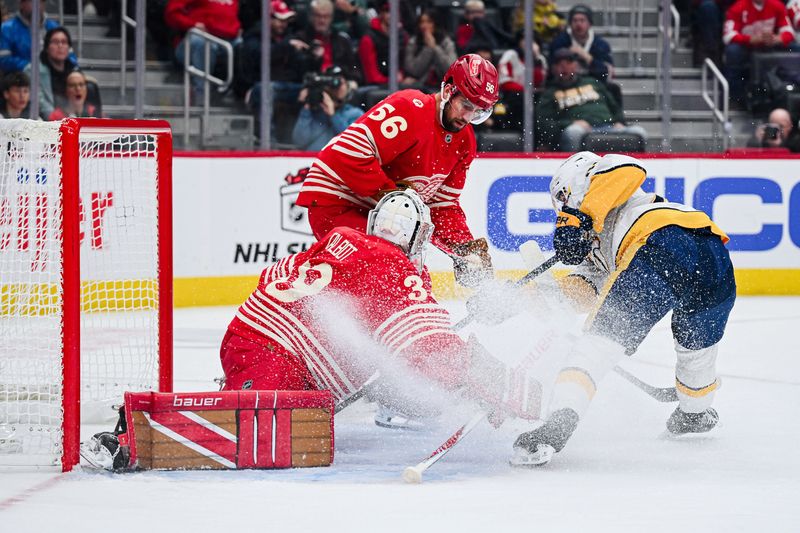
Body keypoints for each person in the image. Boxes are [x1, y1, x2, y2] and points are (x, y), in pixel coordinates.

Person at [510, 152, 736, 467]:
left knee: (596, 345)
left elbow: (630, 169)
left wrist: (577, 216)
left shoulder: (608, 179)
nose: (562, 210)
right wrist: (517, 299)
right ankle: (694, 413)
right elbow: (586, 290)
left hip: (659, 244)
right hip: (713, 256)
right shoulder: (602, 242)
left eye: (564, 201)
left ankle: (558, 422)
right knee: (695, 348)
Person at [295, 54, 500, 288]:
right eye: (466, 105)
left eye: (480, 112)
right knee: (394, 273)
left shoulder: (465, 142)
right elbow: (345, 153)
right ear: (448, 91)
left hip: (380, 216)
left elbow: (441, 207)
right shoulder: (409, 108)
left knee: (416, 282)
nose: (469, 117)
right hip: (338, 202)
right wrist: (390, 196)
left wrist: (463, 249)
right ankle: (302, 298)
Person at [536, 48, 646, 152]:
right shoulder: (550, 93)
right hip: (581, 130)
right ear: (553, 68)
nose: (564, 67)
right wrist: (569, 123)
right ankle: (574, 168)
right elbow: (543, 123)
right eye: (559, 64)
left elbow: (614, 106)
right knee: (573, 132)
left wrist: (619, 122)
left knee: (640, 132)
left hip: (609, 126)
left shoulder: (592, 82)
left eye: (568, 63)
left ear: (576, 65)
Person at [164, 0, 241, 103]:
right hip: (194, 40)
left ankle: (240, 93)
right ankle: (201, 96)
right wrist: (192, 24)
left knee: (244, 46)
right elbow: (171, 14)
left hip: (228, 40)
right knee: (203, 44)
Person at [722, 0, 795, 107]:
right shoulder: (738, 7)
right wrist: (749, 39)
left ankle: (795, 88)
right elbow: (728, 36)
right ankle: (735, 97)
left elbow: (789, 31)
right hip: (746, 47)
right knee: (733, 51)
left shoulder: (776, 5)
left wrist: (778, 38)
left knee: (795, 47)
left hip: (769, 44)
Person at [292, 65, 363, 151]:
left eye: (340, 82)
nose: (336, 88)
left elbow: (353, 143)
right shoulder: (314, 112)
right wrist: (307, 106)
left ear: (348, 86)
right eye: (330, 83)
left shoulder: (355, 113)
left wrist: (333, 116)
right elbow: (299, 141)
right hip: (313, 160)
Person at [292, 0, 363, 85]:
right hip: (312, 85)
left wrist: (350, 82)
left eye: (326, 16)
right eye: (318, 16)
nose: (322, 20)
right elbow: (297, 74)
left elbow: (354, 70)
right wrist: (314, 58)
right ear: (310, 16)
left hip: (338, 84)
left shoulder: (342, 40)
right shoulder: (300, 39)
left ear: (331, 18)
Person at [24, 27, 79, 120]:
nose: (60, 46)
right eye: (55, 42)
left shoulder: (75, 70)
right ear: (46, 47)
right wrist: (57, 119)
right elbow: (39, 102)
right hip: (43, 122)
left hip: (70, 119)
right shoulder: (33, 70)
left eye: (64, 42)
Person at [0, 0, 70, 73]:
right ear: (21, 4)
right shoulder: (6, 28)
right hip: (20, 78)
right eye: (31, 1)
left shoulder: (54, 27)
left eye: (41, 1)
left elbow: (70, 56)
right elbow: (3, 59)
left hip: (53, 77)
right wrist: (29, 66)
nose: (37, 5)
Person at [549, 5, 614, 84]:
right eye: (575, 21)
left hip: (594, 86)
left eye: (582, 20)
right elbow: (552, 72)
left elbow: (607, 74)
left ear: (590, 24)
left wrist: (588, 58)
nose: (578, 24)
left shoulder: (601, 45)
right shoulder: (559, 42)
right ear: (570, 23)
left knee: (614, 89)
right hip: (566, 85)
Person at [358, 1, 410, 86]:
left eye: (396, 11)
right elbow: (372, 77)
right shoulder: (368, 39)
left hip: (400, 83)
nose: (393, 15)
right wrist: (392, 80)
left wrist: (404, 77)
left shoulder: (403, 36)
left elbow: (406, 66)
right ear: (381, 13)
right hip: (377, 86)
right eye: (388, 11)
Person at [404, 10, 457, 90]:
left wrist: (435, 47)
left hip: (443, 86)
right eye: (422, 22)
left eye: (429, 22)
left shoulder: (446, 42)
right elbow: (412, 70)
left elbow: (451, 68)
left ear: (435, 24)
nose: (424, 26)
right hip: (420, 85)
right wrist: (428, 48)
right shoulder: (413, 42)